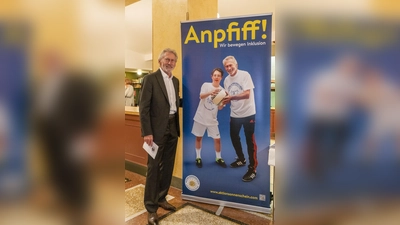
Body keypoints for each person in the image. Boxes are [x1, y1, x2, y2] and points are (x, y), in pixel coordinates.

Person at [139, 48, 180, 225]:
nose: (170, 63)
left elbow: (174, 103)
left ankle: (162, 198)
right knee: (154, 168)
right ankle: (151, 208)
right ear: (160, 61)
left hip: (172, 128)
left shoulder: (176, 81)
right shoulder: (150, 79)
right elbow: (144, 107)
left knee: (168, 165)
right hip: (155, 131)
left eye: (173, 61)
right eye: (167, 59)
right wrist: (147, 132)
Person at [221, 56, 258, 182]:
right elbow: (227, 96)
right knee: (234, 137)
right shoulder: (226, 80)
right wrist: (221, 103)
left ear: (236, 64)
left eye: (231, 65)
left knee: (250, 141)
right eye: (226, 66)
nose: (229, 68)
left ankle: (252, 169)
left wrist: (230, 98)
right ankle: (241, 159)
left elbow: (247, 94)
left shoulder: (245, 75)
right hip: (235, 114)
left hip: (248, 113)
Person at [191, 68, 227, 168]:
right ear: (212, 76)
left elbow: (219, 107)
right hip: (201, 117)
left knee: (217, 139)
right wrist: (211, 92)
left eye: (218, 75)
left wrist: (223, 103)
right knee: (199, 137)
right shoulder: (206, 85)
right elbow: (201, 96)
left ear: (221, 77)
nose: (216, 77)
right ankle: (198, 157)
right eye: (215, 75)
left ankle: (218, 158)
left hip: (212, 119)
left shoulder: (222, 91)